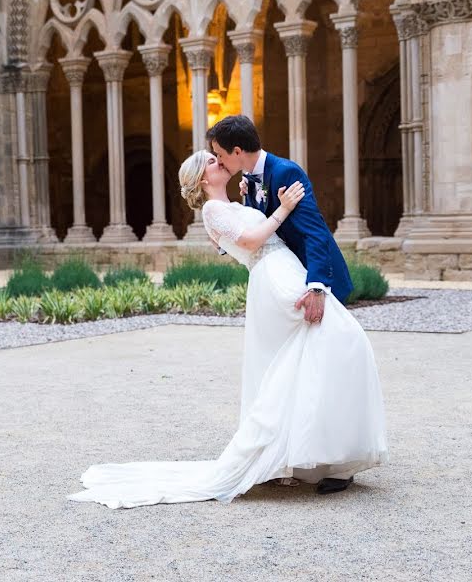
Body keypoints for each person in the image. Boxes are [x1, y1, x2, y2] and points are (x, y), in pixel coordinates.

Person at [66, 149, 387, 509]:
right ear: (204, 179)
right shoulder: (213, 210)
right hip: (274, 276)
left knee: (303, 358)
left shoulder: (235, 201)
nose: (219, 163)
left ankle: (311, 454)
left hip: (283, 269)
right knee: (335, 341)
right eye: (212, 162)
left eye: (218, 157)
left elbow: (240, 238)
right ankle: (306, 452)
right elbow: (250, 243)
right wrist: (284, 208)